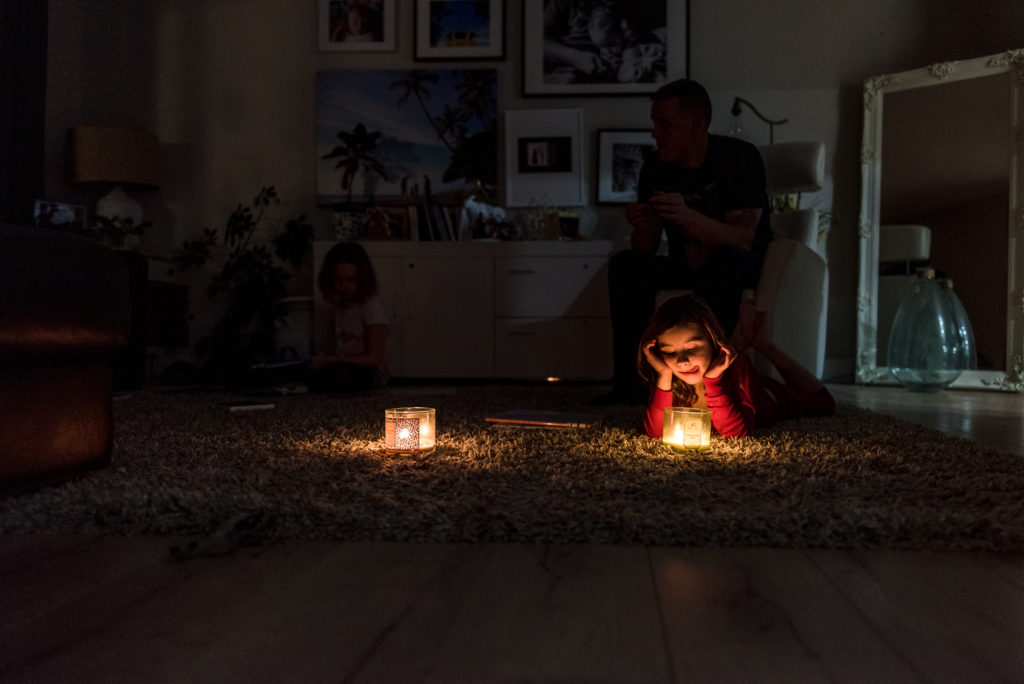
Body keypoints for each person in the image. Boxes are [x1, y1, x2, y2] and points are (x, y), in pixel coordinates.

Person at [597, 77, 773, 405]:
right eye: (654, 122)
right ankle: (630, 385)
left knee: (726, 263)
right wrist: (645, 226)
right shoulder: (655, 166)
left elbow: (744, 239)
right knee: (626, 265)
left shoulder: (738, 157)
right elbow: (646, 250)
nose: (654, 132)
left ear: (696, 123)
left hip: (737, 263)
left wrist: (687, 216)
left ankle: (712, 382)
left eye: (663, 123)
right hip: (686, 264)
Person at [638, 294, 835, 439]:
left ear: (712, 342)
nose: (681, 361)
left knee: (825, 403)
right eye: (670, 352)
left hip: (768, 396)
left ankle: (762, 343)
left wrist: (713, 381)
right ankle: (743, 339)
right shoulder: (667, 372)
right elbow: (655, 434)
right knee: (733, 357)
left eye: (692, 348)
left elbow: (736, 434)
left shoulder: (738, 367)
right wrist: (663, 375)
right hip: (733, 372)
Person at [309, 242, 389, 393]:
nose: (343, 285)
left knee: (343, 375)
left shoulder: (371, 306)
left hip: (367, 371)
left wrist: (331, 361)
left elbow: (375, 358)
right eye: (338, 279)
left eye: (350, 279)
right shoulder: (339, 306)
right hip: (342, 363)